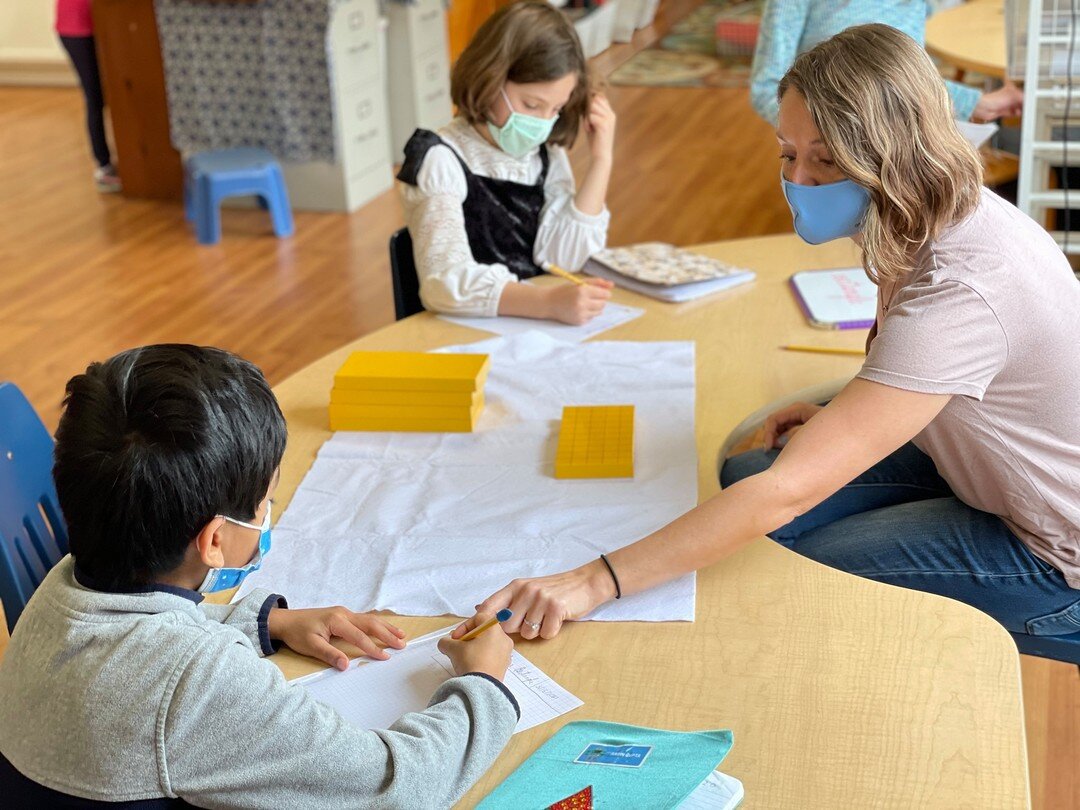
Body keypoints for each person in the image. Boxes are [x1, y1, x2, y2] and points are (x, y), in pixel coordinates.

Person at [462, 24, 1080, 646]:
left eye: (827, 160)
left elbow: (786, 494)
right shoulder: (934, 210)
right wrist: (842, 415)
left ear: (895, 152)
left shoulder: (964, 285)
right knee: (746, 484)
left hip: (1054, 552)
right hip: (981, 466)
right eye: (788, 153)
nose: (799, 180)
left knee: (792, 563)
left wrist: (594, 581)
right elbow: (936, 376)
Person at [0, 345, 517, 806]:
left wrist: (266, 622)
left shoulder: (66, 581)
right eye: (266, 501)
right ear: (216, 540)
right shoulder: (199, 682)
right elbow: (398, 786)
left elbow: (135, 645)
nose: (269, 512)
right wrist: (482, 683)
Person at [397, 1, 616, 325]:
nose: (543, 122)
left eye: (555, 109)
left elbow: (564, 259)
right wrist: (546, 302)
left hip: (530, 331)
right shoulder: (440, 159)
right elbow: (443, 283)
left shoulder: (544, 155)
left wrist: (602, 160)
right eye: (532, 104)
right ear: (489, 77)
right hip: (466, 335)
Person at [749, 0, 1023, 125]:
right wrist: (824, 136)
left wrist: (976, 103)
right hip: (835, 155)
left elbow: (899, 82)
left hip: (905, 151)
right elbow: (765, 88)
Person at [55, 0, 121, 192]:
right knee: (95, 97)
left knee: (113, 95)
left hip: (102, 24)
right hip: (77, 29)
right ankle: (104, 166)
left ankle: (128, 159)